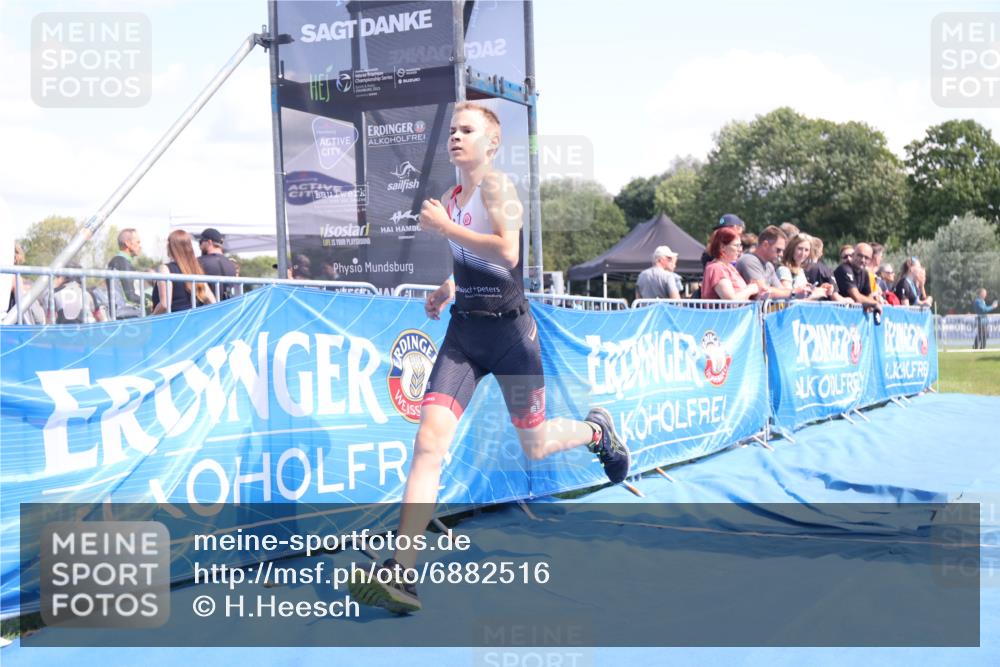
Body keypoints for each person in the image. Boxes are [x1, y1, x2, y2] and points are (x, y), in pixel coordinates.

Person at [348, 102, 630, 614]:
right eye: (452, 130)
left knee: (536, 443)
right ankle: (402, 571)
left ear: (491, 143)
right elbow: (476, 263)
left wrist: (445, 230)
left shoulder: (498, 189)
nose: (456, 136)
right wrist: (446, 288)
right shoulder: (452, 198)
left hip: (511, 337)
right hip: (463, 336)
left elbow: (508, 253)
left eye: (467, 130)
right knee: (428, 441)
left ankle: (597, 433)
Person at [152, 230, 216, 314]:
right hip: (194, 323)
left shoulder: (165, 269)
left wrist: (149, 320)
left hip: (173, 324)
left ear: (171, 246)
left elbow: (165, 304)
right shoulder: (195, 270)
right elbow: (212, 302)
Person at [702, 226, 761, 300]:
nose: (740, 249)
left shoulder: (730, 267)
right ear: (722, 247)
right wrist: (750, 289)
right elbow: (731, 301)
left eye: (740, 245)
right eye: (737, 246)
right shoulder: (716, 268)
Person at [735, 225, 791, 298]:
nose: (781, 254)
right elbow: (763, 292)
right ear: (765, 245)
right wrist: (792, 293)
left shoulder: (769, 265)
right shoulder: (749, 260)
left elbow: (782, 290)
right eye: (778, 250)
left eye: (782, 251)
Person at [834, 242, 882, 315]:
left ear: (870, 260)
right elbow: (857, 297)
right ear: (853, 255)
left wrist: (871, 302)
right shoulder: (844, 269)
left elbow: (869, 296)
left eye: (866, 258)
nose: (862, 260)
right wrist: (875, 303)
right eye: (860, 255)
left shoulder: (865, 273)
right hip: (837, 315)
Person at [778, 234, 830, 300]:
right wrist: (818, 293)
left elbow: (805, 297)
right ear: (792, 249)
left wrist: (822, 290)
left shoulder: (800, 271)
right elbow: (789, 298)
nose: (803, 253)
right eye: (800, 249)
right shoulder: (784, 270)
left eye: (806, 250)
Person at [106, 228, 143, 319]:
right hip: (125, 315)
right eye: (137, 242)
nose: (140, 246)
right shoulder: (122, 262)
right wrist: (150, 301)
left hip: (122, 314)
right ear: (127, 243)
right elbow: (130, 296)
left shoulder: (120, 261)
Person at [197, 228, 237, 300]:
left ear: (209, 242)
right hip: (228, 308)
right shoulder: (231, 264)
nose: (200, 246)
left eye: (201, 242)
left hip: (207, 308)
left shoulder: (199, 262)